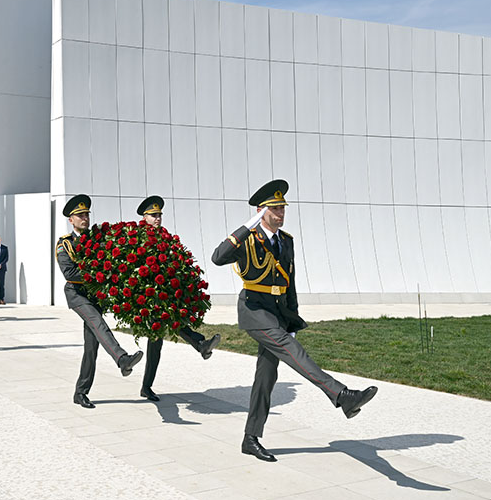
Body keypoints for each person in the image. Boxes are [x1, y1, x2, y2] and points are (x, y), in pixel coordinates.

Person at [211, 179, 378, 462]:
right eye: (274, 209)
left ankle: (250, 438)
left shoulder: (286, 241)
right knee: (293, 352)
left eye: (282, 208)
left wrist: (292, 319)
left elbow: (290, 283)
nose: (280, 213)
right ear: (260, 211)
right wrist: (245, 227)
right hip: (254, 311)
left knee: (266, 377)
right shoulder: (247, 239)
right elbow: (217, 257)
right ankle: (341, 395)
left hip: (276, 313)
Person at [56, 195, 143, 409]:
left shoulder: (98, 240)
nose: (84, 218)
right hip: (77, 294)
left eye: (86, 214)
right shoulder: (64, 243)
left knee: (91, 346)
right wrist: (99, 273)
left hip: (95, 296)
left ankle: (80, 392)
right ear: (71, 219)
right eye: (80, 215)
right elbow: (70, 272)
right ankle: (122, 359)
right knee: (98, 322)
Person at [135, 196, 222, 401]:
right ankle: (199, 344)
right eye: (154, 215)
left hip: (166, 296)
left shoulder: (165, 237)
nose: (158, 218)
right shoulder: (137, 238)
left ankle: (200, 345)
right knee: (156, 343)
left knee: (172, 326)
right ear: (145, 217)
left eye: (160, 215)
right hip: (147, 300)